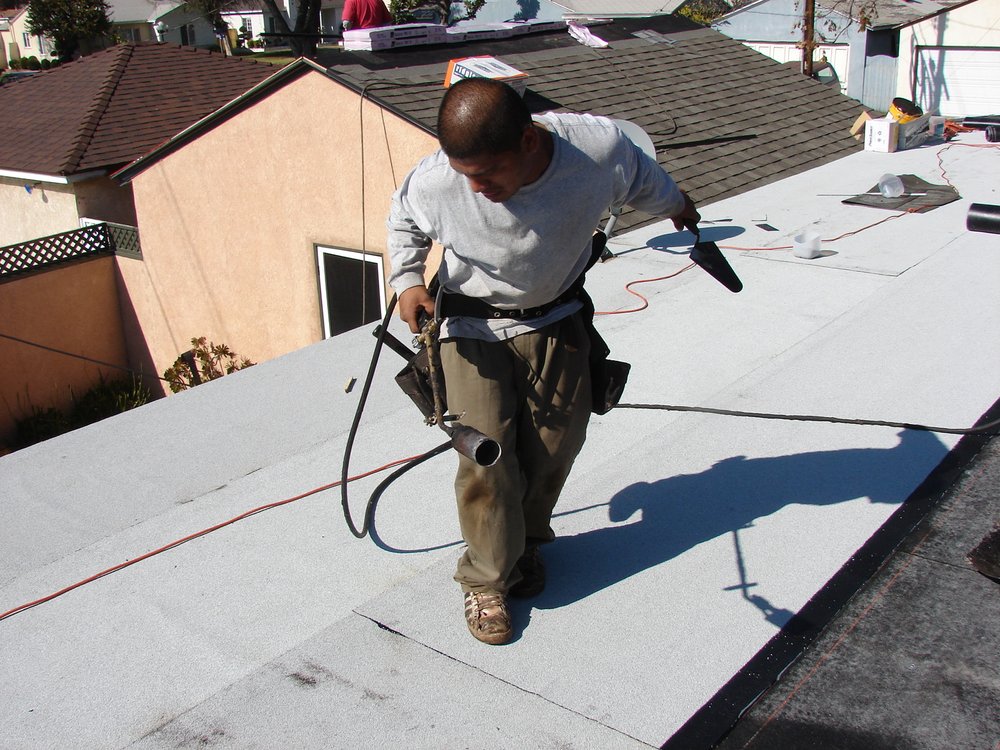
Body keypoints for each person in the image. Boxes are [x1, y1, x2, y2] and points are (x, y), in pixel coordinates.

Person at [386, 78, 700, 645]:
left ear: (530, 140)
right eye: (467, 176)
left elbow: (647, 180)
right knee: (488, 455)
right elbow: (403, 217)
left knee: (555, 444)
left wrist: (678, 205)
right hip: (470, 325)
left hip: (554, 317)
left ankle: (525, 544)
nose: (477, 188)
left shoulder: (597, 150)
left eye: (489, 174)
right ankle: (485, 579)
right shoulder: (438, 181)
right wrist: (407, 279)